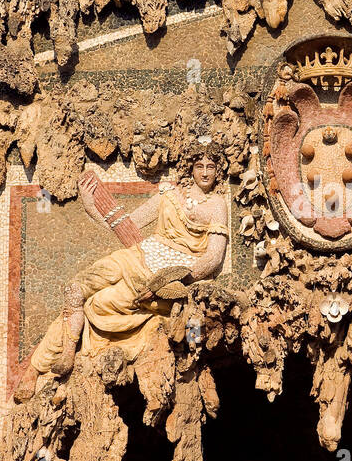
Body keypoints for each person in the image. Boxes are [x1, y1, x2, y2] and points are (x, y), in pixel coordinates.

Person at [12, 146, 229, 402]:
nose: (205, 173)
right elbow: (128, 223)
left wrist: (172, 279)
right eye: (199, 166)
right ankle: (64, 352)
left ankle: (38, 367)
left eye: (211, 167)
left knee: (98, 303)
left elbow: (213, 259)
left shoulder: (217, 205)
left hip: (164, 277)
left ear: (218, 172)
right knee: (75, 288)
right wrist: (91, 206)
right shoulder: (169, 194)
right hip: (136, 257)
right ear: (190, 168)